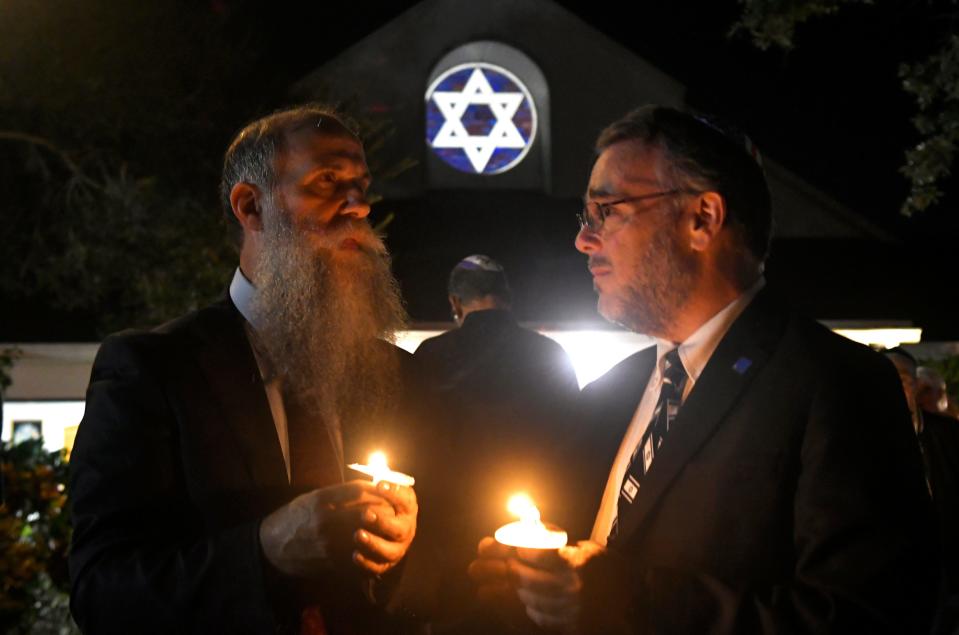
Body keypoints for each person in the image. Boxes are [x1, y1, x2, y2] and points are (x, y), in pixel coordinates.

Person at [470, 105, 938, 634]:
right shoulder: (614, 390)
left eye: (607, 210)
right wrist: (537, 581)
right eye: (587, 216)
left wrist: (625, 600)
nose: (584, 240)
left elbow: (863, 619)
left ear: (703, 218)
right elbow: (593, 563)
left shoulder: (836, 385)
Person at [68, 105, 425, 634]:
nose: (358, 207)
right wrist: (265, 550)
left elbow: (432, 576)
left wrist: (400, 554)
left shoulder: (393, 373)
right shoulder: (152, 369)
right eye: (328, 182)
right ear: (251, 206)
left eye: (362, 186)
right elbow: (102, 591)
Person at [412, 255, 580, 628]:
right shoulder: (551, 356)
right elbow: (576, 451)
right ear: (508, 298)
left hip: (448, 549)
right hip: (532, 549)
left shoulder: (430, 356)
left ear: (455, 303)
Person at [886, 349, 959, 634]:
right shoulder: (863, 440)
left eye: (902, 379)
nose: (894, 388)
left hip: (950, 563)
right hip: (899, 573)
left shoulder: (949, 436)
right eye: (886, 380)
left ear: (916, 385)